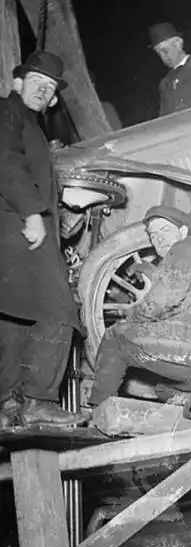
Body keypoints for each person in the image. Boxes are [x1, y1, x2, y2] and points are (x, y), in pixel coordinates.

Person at [0, 51, 87, 427]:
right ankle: (37, 400)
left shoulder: (27, 123)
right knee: (60, 310)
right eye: (37, 81)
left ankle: (8, 405)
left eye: (49, 87)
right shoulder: (8, 112)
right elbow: (5, 164)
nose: (43, 89)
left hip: (11, 231)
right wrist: (33, 213)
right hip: (19, 227)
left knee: (16, 320)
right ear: (18, 82)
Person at [86, 206, 191, 416]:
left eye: (165, 230)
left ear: (183, 231)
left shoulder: (186, 247)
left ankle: (97, 413)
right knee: (162, 388)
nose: (158, 239)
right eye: (153, 235)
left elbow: (159, 301)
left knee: (115, 338)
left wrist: (132, 319)